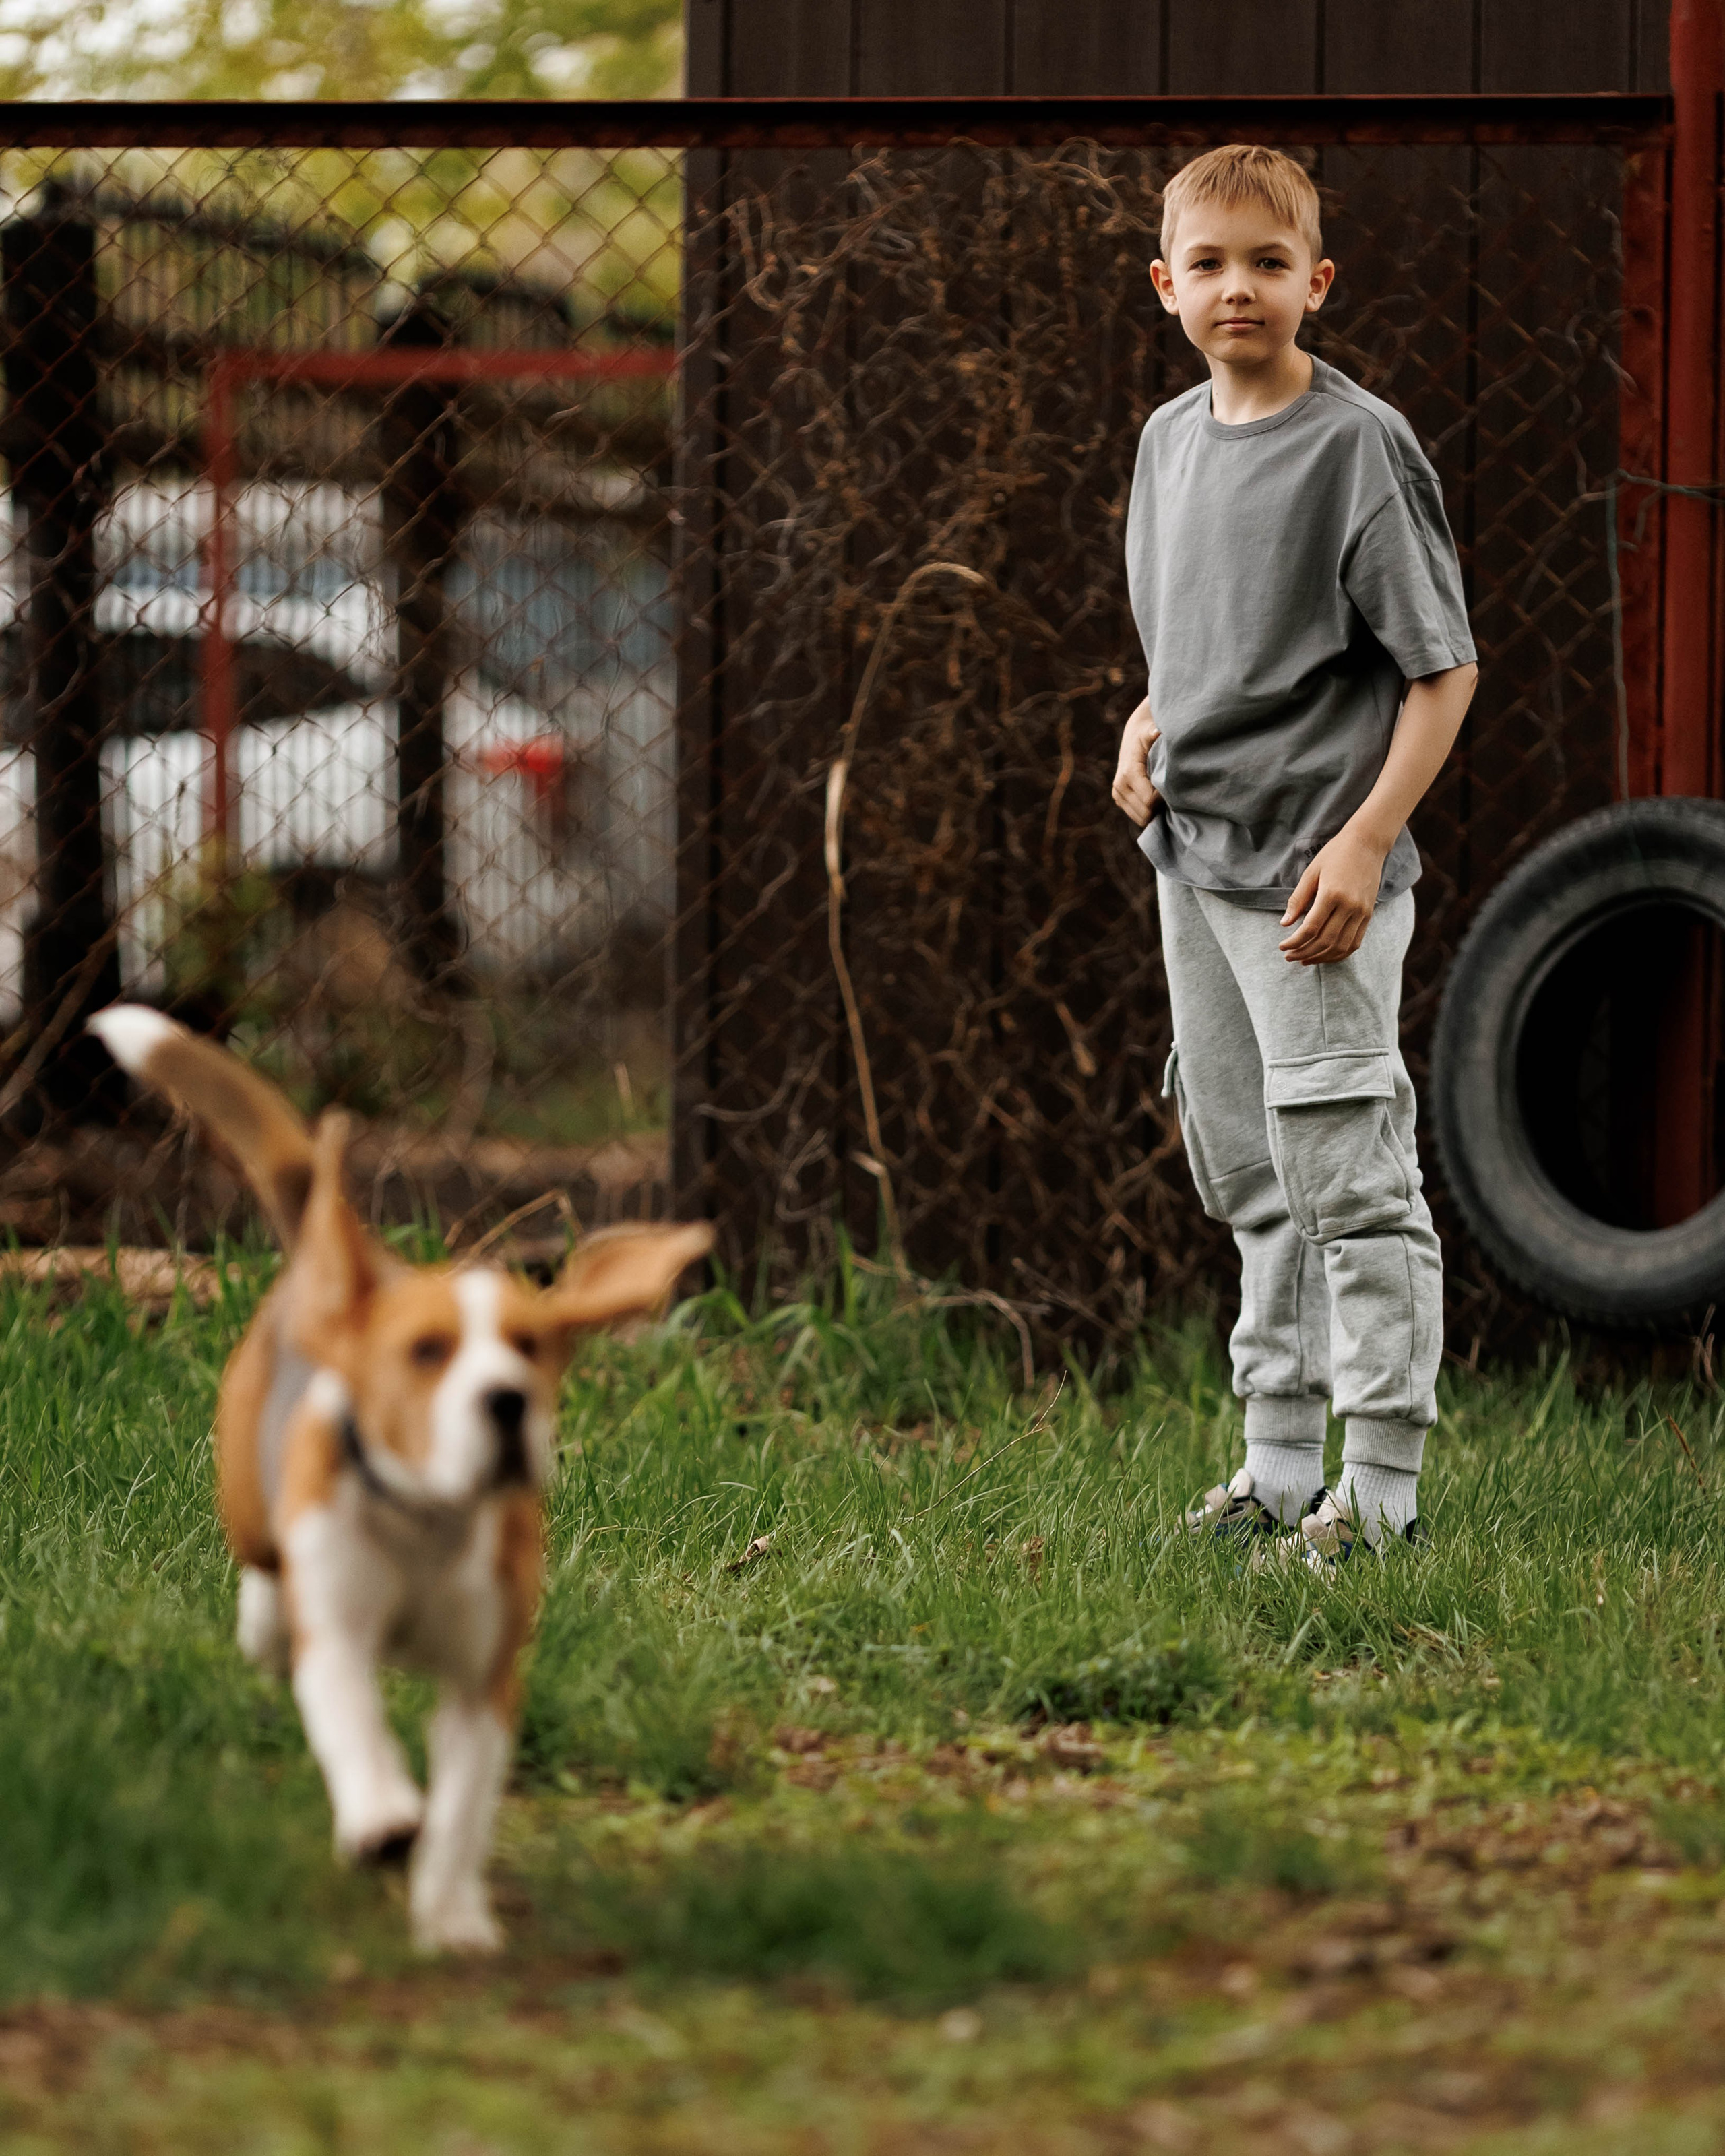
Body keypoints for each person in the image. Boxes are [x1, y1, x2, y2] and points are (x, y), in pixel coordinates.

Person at [1114, 144, 1478, 1568]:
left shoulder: (1357, 447)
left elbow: (1439, 672)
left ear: (1314, 284)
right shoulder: (1165, 443)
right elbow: (1194, 645)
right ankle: (1272, 1466)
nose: (1236, 288)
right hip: (1191, 864)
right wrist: (1144, 727)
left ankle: (1377, 1490)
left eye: (1267, 264)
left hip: (1311, 881)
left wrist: (1364, 837)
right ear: (1165, 287)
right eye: (1206, 264)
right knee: (1247, 1168)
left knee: (1345, 1171)